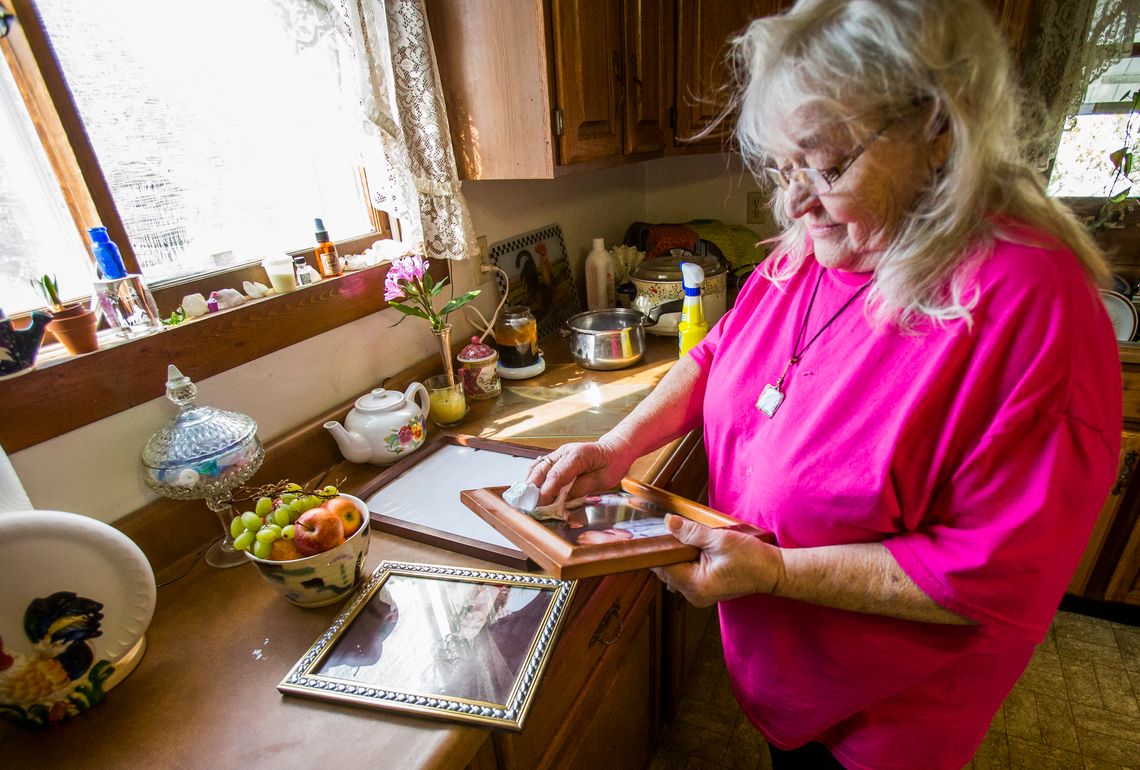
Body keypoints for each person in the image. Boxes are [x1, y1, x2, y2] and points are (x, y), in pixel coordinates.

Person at [525, 1, 1122, 768]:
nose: (796, 203)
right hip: (786, 673)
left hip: (886, 715)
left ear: (938, 125)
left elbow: (990, 574)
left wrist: (773, 571)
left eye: (827, 166)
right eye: (782, 168)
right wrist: (615, 447)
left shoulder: (1031, 305)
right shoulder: (820, 240)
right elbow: (718, 356)